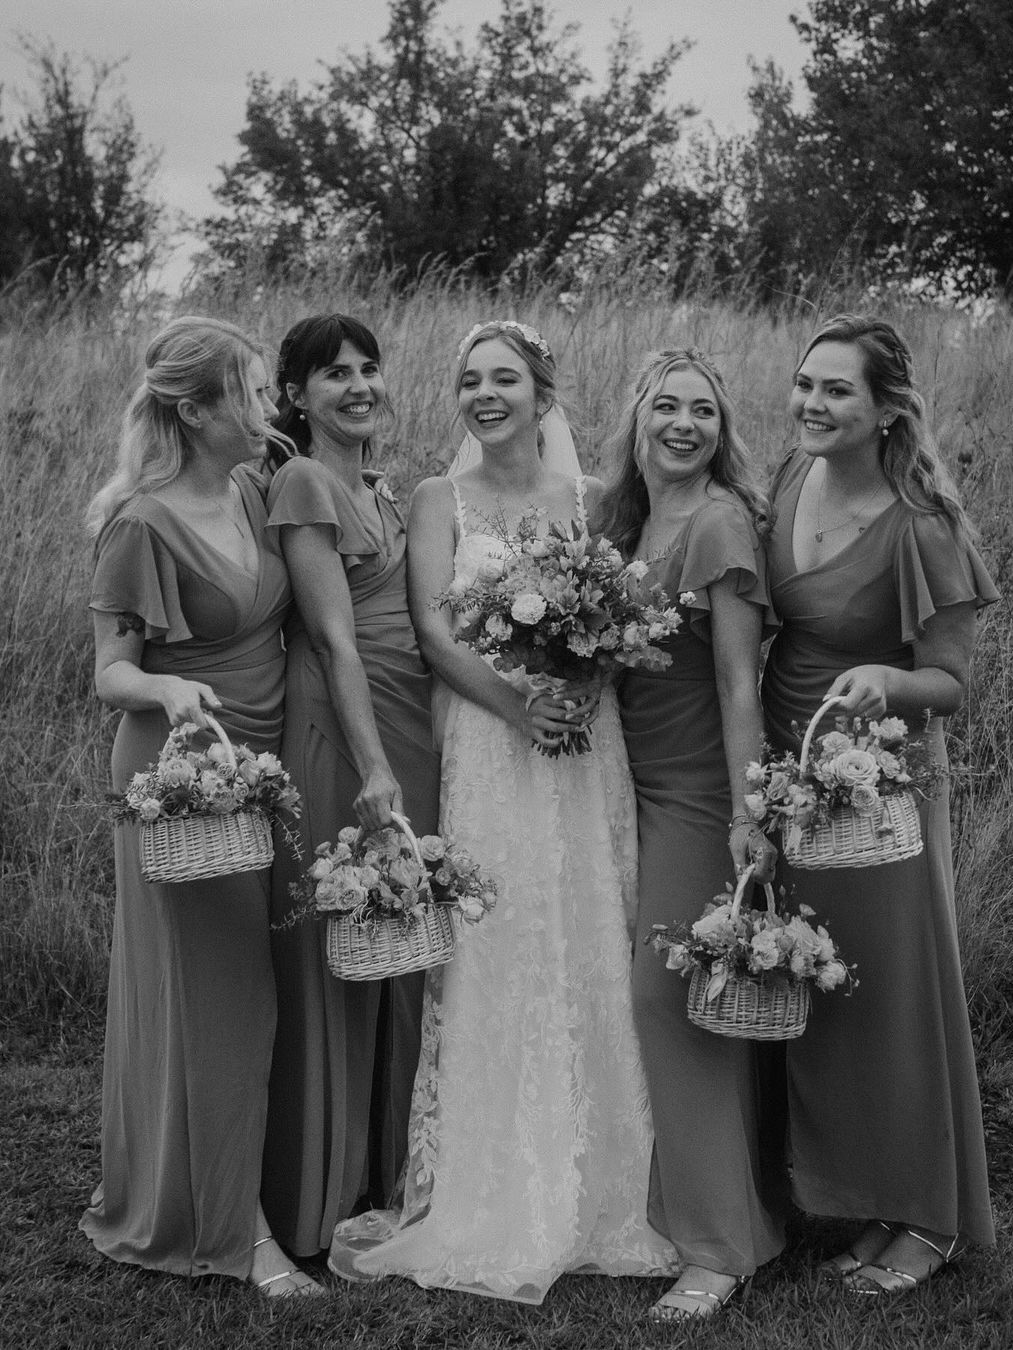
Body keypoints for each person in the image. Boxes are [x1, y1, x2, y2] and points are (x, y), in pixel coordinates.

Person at [329, 319, 677, 1302]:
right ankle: (494, 1185)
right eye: (470, 381)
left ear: (543, 393)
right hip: (489, 740)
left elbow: (625, 612)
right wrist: (518, 704)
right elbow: (436, 628)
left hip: (580, 737)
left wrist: (579, 682)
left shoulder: (595, 498)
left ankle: (608, 1181)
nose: (486, 395)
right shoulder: (439, 497)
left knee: (591, 926)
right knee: (504, 934)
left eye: (505, 380)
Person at [80, 316, 320, 1296]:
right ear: (196, 408)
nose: (269, 408)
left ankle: (221, 1193)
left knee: (247, 994)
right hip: (183, 774)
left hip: (262, 764)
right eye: (254, 392)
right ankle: (237, 1237)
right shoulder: (141, 522)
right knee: (226, 1002)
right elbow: (109, 672)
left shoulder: (257, 491)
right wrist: (169, 691)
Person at [760, 313, 998, 1295]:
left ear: (885, 408)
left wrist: (881, 680)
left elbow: (951, 680)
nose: (813, 404)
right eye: (805, 384)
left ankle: (931, 1219)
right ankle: (866, 1198)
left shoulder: (919, 524)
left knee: (895, 1000)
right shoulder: (784, 480)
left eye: (837, 391)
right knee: (826, 995)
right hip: (788, 769)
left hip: (877, 782)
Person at [598, 348, 788, 1322]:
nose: (683, 424)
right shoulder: (622, 520)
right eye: (666, 406)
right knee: (660, 992)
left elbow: (735, 683)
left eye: (703, 412)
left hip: (697, 789)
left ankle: (721, 1248)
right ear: (637, 417)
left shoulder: (718, 521)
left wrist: (748, 813)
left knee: (669, 994)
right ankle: (703, 1209)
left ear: (722, 429)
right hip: (621, 784)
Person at [260, 313, 440, 1258]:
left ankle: (387, 1173)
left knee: (403, 938)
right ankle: (315, 1191)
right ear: (296, 395)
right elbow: (332, 638)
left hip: (407, 718)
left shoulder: (383, 486)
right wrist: (373, 767)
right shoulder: (304, 481)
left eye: (370, 368)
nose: (359, 385)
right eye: (335, 374)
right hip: (344, 727)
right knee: (340, 943)